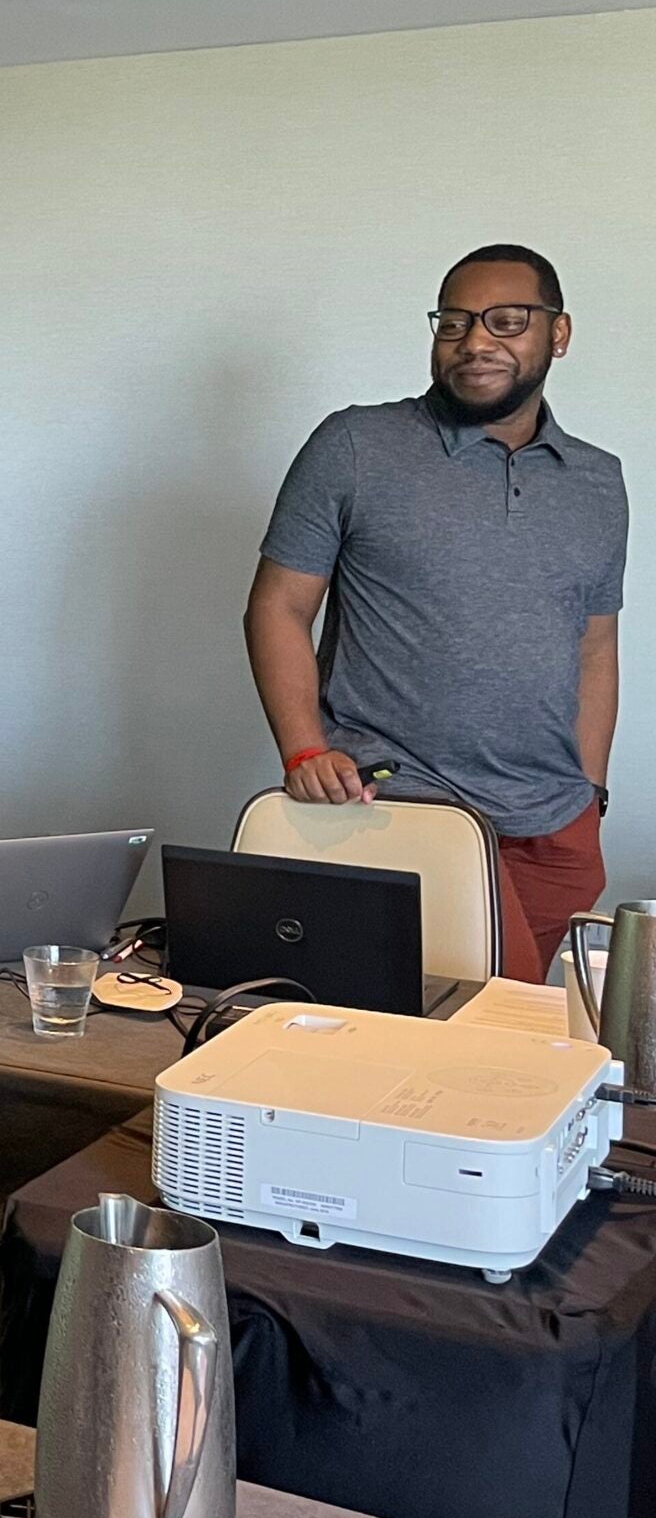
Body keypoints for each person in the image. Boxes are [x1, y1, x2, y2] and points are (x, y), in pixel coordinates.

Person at [245, 244, 627, 980]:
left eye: (507, 321)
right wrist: (303, 750)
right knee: (489, 1031)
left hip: (553, 823)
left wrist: (590, 796)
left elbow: (595, 645)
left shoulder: (599, 481)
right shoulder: (356, 445)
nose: (476, 341)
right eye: (454, 322)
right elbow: (278, 607)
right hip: (405, 804)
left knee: (500, 1056)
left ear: (559, 333)